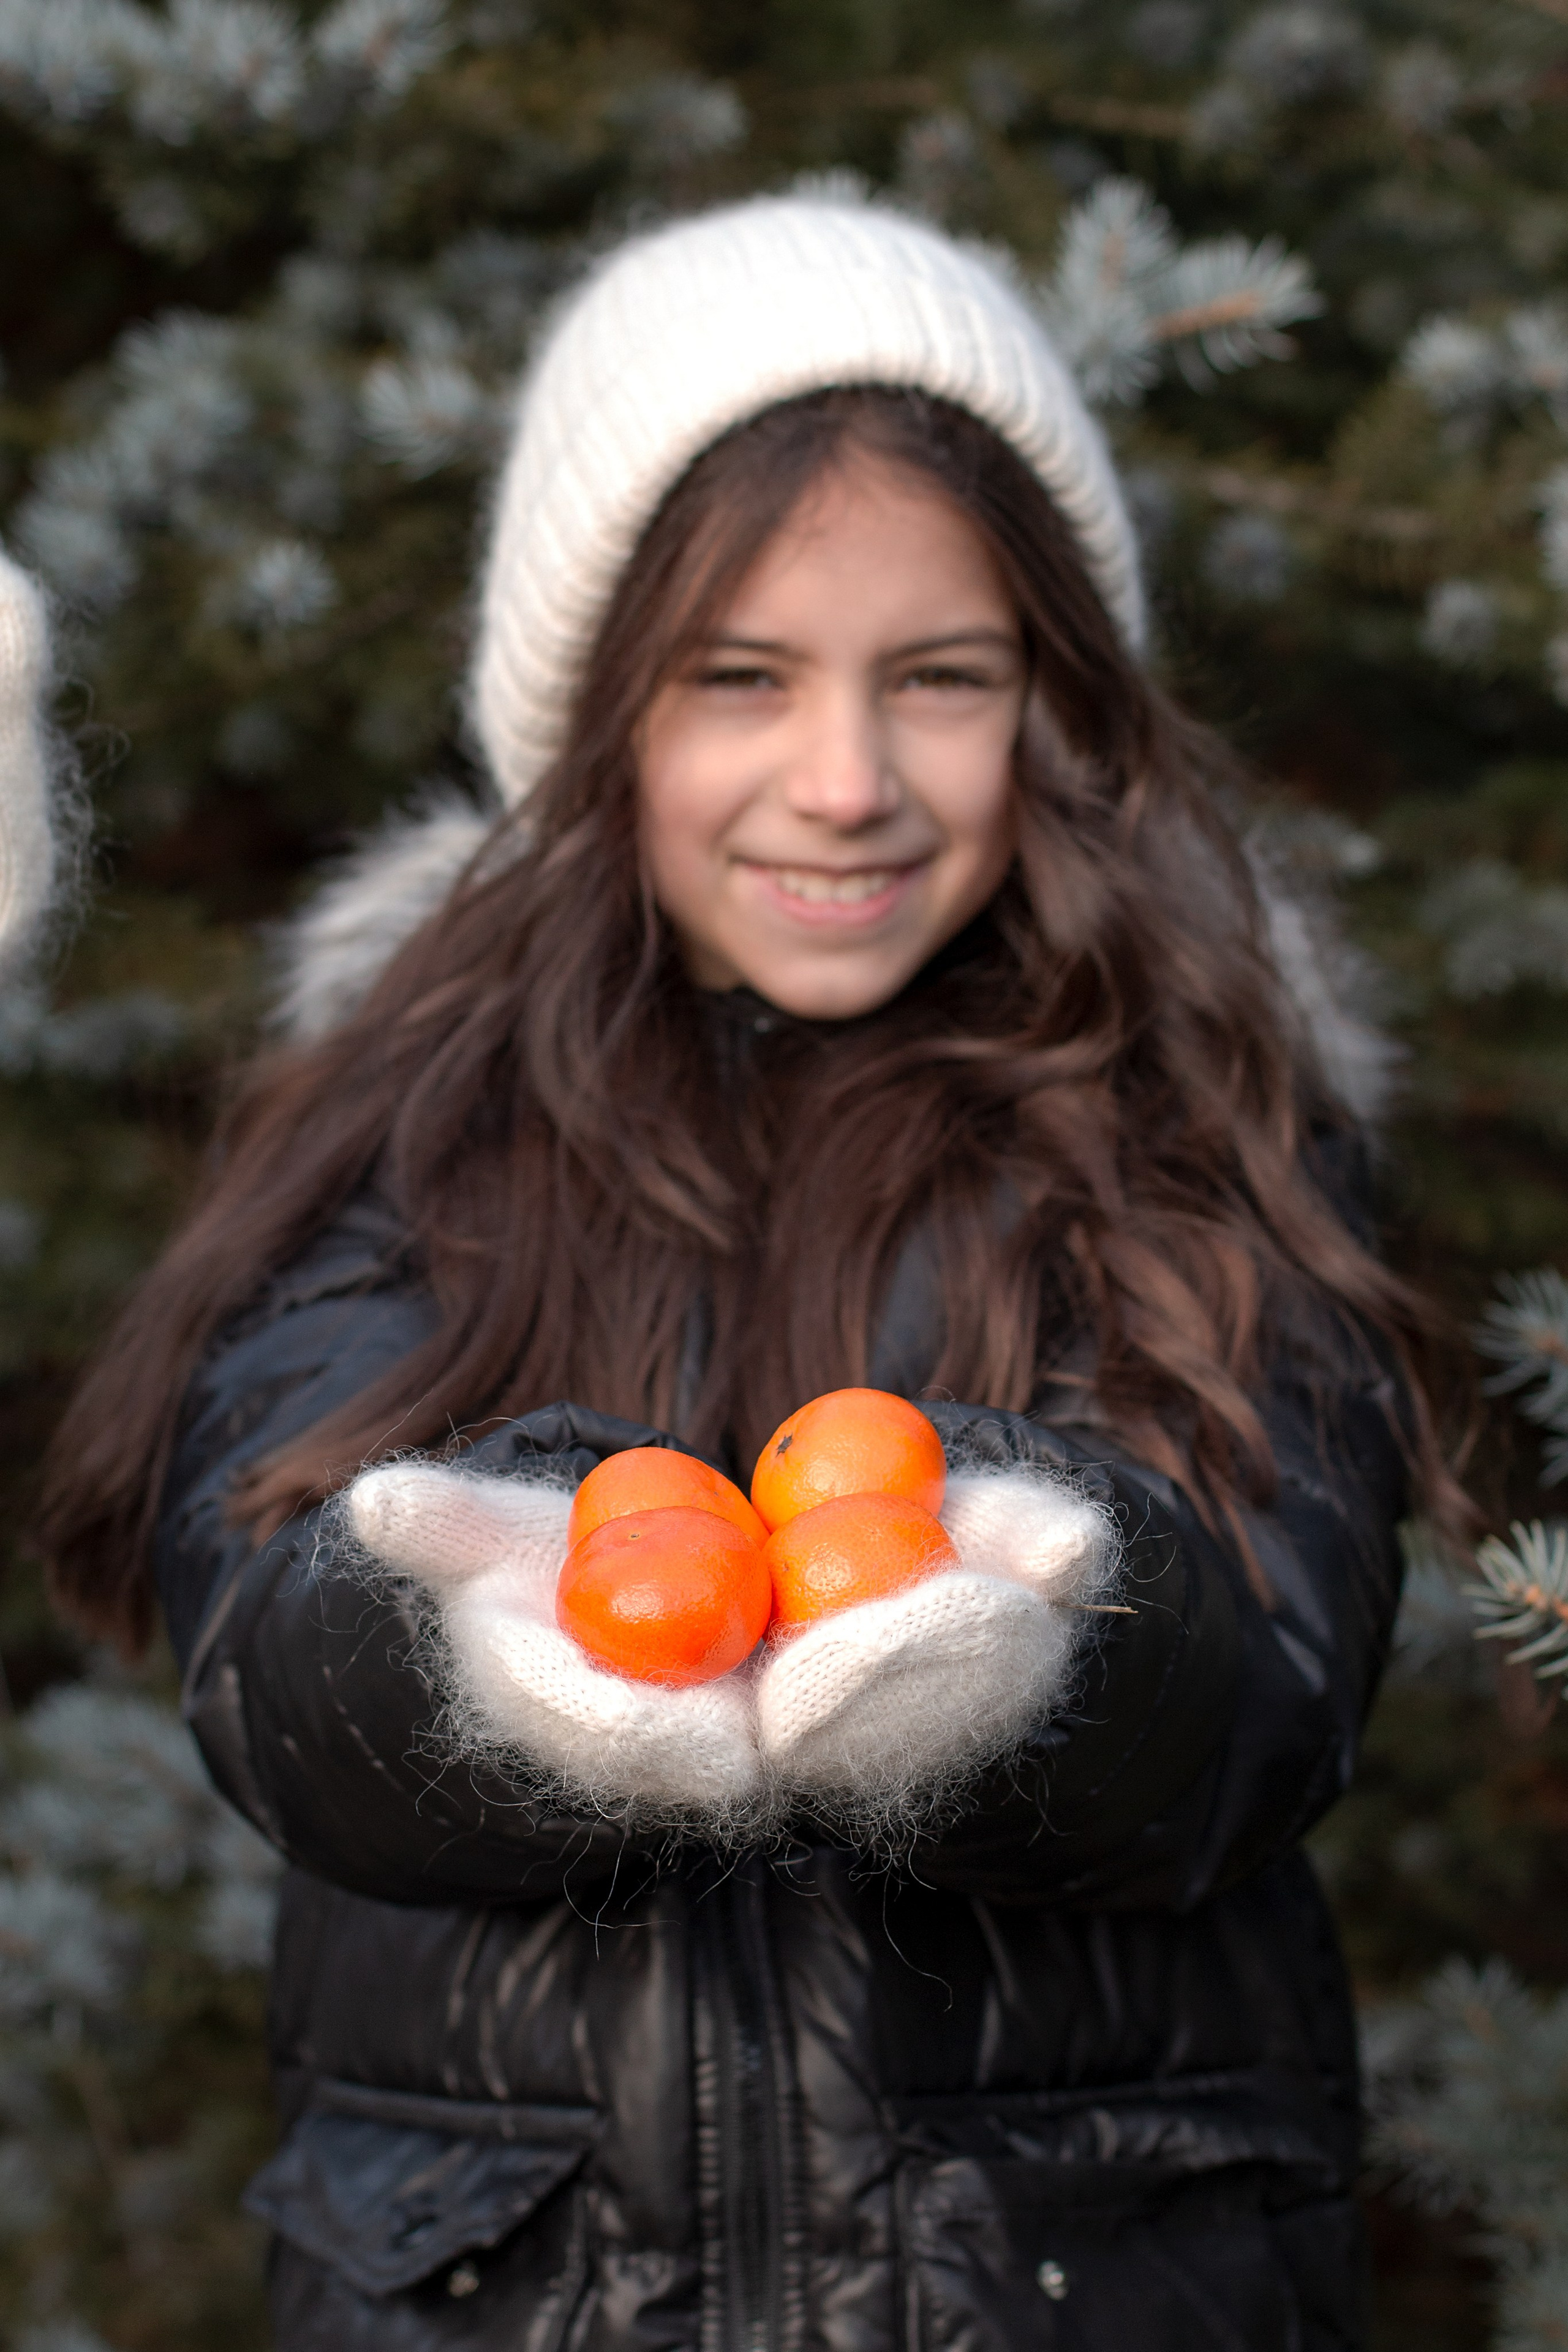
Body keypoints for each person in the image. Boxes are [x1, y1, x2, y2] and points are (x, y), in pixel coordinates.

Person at [40, 192, 1465, 2351]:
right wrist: (447, 1664)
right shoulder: (406, 1126)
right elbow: (269, 1635)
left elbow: (1266, 1668)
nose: (845, 783)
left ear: (1056, 701)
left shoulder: (1198, 1122)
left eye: (943, 681)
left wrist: (1051, 1638)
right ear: (599, 712)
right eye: (740, 681)